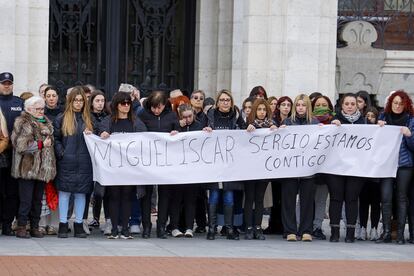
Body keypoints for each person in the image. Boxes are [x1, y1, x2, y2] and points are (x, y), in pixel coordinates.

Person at [99, 92, 147, 239]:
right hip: (112, 166)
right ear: (116, 105)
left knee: (127, 196)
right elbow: (98, 136)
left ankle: (125, 228)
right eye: (123, 103)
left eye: (128, 103)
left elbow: (144, 139)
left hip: (129, 167)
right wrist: (102, 134)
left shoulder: (136, 122)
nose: (126, 106)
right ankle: (114, 228)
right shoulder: (108, 121)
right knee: (113, 196)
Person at [11, 96, 56, 238]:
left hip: (42, 169)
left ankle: (35, 227)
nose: (41, 111)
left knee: (37, 200)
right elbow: (21, 146)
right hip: (27, 168)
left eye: (42, 108)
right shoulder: (24, 122)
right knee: (26, 200)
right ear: (29, 109)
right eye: (38, 109)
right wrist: (41, 144)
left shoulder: (47, 122)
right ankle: (22, 227)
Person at [137, 90, 179, 239]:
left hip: (166, 161)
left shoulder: (171, 115)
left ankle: (161, 225)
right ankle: (146, 226)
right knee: (147, 194)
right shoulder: (142, 115)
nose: (156, 110)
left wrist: (175, 133)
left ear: (164, 105)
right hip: (148, 160)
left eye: (159, 107)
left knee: (165, 194)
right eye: (154, 107)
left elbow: (178, 131)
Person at [205, 89, 246, 240]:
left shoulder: (236, 116)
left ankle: (229, 228)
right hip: (214, 162)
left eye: (227, 100)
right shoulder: (210, 115)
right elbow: (201, 131)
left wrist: (250, 128)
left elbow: (245, 132)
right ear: (217, 102)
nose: (225, 102)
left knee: (229, 196)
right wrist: (205, 130)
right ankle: (211, 228)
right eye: (222, 100)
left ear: (232, 102)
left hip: (230, 163)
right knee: (214, 195)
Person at [54, 86, 94, 238]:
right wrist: (61, 152)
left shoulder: (89, 120)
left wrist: (93, 134)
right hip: (67, 161)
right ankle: (63, 224)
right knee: (64, 193)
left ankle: (78, 225)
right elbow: (56, 139)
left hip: (84, 162)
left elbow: (97, 138)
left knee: (80, 194)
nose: (78, 103)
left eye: (81, 101)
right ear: (70, 101)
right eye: (76, 100)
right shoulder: (62, 118)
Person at [377, 90, 414, 244]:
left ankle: (399, 234)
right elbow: (375, 143)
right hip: (386, 164)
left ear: (406, 105)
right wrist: (378, 128)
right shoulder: (383, 117)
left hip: (404, 165)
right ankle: (386, 232)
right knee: (385, 198)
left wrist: (409, 136)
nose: (398, 106)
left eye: (401, 103)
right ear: (390, 103)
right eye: (395, 103)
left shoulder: (411, 120)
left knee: (401, 198)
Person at [328, 93, 366, 243]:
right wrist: (332, 126)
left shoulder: (364, 123)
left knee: (352, 199)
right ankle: (335, 232)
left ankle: (350, 233)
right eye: (347, 104)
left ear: (357, 106)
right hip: (336, 167)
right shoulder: (335, 121)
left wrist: (380, 126)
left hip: (356, 168)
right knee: (336, 198)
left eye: (353, 104)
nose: (350, 106)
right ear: (341, 106)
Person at [280, 94, 318, 242]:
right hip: (290, 168)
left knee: (307, 200)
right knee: (288, 199)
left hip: (308, 169)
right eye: (298, 105)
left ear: (308, 107)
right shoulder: (288, 122)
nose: (301, 108)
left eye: (303, 105)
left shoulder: (315, 123)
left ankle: (306, 230)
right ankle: (290, 230)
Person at [168, 104, 205, 238]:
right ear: (180, 115)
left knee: (191, 199)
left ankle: (189, 227)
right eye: (185, 117)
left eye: (190, 116)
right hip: (178, 168)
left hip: (193, 169)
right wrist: (176, 129)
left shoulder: (199, 126)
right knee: (176, 199)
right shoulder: (175, 125)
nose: (188, 119)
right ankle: (174, 227)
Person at [245, 98, 277, 240]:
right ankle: (248, 228)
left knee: (259, 199)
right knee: (249, 198)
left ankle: (258, 227)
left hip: (264, 168)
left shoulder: (271, 126)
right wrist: (247, 130)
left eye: (264, 110)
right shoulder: (247, 124)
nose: (262, 112)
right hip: (250, 169)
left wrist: (275, 131)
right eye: (259, 109)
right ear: (254, 111)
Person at [0, 72, 24, 236]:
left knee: (12, 192)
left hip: (15, 155)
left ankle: (7, 224)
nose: (6, 85)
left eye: (9, 83)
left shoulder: (20, 103)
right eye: (4, 83)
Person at [265, 96, 292, 235]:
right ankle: (273, 223)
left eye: (288, 105)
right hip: (275, 164)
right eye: (283, 105)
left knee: (286, 196)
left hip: (288, 165)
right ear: (279, 107)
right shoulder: (272, 121)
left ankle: (284, 224)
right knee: (275, 196)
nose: (286, 107)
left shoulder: (293, 122)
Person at [86, 90, 112, 234]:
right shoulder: (87, 117)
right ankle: (94, 217)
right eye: (97, 101)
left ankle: (108, 219)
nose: (100, 103)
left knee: (105, 190)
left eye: (102, 101)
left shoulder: (108, 117)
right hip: (90, 158)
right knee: (92, 190)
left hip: (105, 158)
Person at [310, 95, 335, 240]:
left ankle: (317, 226)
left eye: (323, 104)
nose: (320, 107)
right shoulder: (309, 122)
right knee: (305, 198)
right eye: (317, 105)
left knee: (321, 199)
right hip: (309, 166)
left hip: (326, 167)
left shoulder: (333, 122)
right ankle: (303, 224)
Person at [358, 106, 381, 241]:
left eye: (373, 116)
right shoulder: (362, 130)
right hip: (363, 172)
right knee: (363, 203)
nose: (370, 118)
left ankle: (374, 228)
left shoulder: (381, 131)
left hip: (376, 174)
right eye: (367, 116)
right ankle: (362, 227)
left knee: (375, 203)